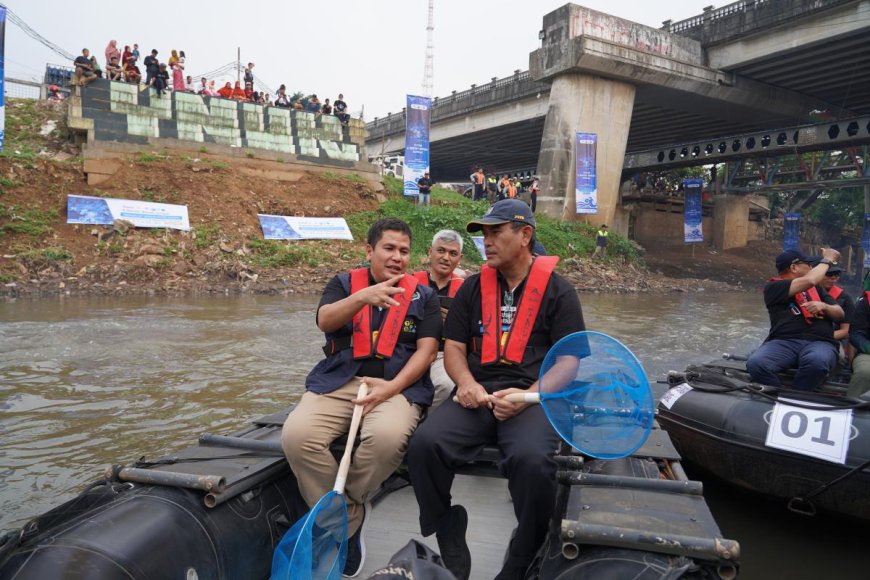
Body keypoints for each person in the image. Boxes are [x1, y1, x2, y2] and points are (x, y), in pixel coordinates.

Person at [407, 199, 586, 580]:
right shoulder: (472, 288)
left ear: (525, 235)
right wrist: (466, 383)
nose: (486, 241)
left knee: (534, 461)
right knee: (424, 445)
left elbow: (569, 362)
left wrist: (528, 397)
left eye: (495, 232)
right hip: (479, 393)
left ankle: (525, 550)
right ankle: (446, 525)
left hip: (533, 396)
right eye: (484, 234)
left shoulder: (559, 291)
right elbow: (453, 348)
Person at [281, 217, 441, 577]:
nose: (397, 257)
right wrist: (363, 297)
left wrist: (393, 387)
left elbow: (427, 351)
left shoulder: (425, 296)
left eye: (404, 250)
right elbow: (324, 320)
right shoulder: (343, 284)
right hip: (340, 381)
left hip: (396, 386)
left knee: (385, 439)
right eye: (389, 248)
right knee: (297, 436)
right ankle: (350, 521)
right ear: (370, 251)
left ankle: (341, 513)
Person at [746, 248, 844, 391]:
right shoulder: (773, 287)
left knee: (816, 362)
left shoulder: (816, 288)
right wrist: (827, 260)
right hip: (785, 341)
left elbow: (840, 313)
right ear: (793, 267)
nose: (811, 267)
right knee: (756, 363)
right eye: (807, 264)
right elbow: (810, 279)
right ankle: (780, 396)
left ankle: (797, 395)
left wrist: (824, 306)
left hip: (820, 341)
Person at [413, 230, 465, 408]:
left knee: (446, 384)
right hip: (410, 347)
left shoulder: (466, 291)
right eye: (441, 251)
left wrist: (456, 319)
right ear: (430, 252)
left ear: (460, 258)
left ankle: (425, 425)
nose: (446, 258)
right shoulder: (410, 284)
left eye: (453, 253)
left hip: (445, 352)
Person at [816, 263, 854, 352]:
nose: (833, 278)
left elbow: (846, 331)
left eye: (836, 275)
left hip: (830, 340)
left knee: (839, 357)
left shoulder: (845, 298)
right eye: (829, 274)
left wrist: (822, 337)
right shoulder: (802, 292)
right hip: (800, 338)